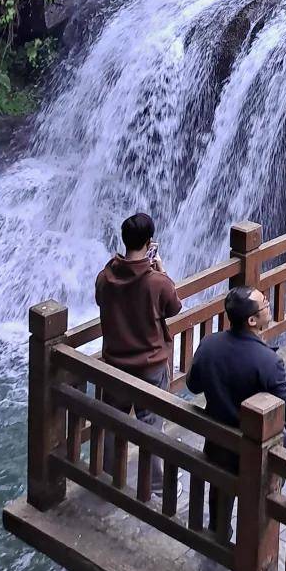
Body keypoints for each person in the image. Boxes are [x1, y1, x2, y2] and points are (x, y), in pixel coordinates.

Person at [185, 286, 286, 534]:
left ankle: (219, 536)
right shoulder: (268, 361)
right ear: (252, 320)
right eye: (265, 303)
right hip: (256, 451)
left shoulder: (209, 344)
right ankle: (252, 549)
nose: (269, 304)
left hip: (218, 445)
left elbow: (193, 386)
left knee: (220, 500)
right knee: (258, 504)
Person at [94, 212, 183, 494]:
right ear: (148, 243)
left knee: (112, 424)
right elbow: (174, 307)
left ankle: (109, 478)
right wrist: (162, 271)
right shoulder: (157, 281)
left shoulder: (106, 276)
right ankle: (156, 487)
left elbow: (99, 299)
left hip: (115, 364)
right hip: (150, 366)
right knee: (151, 425)